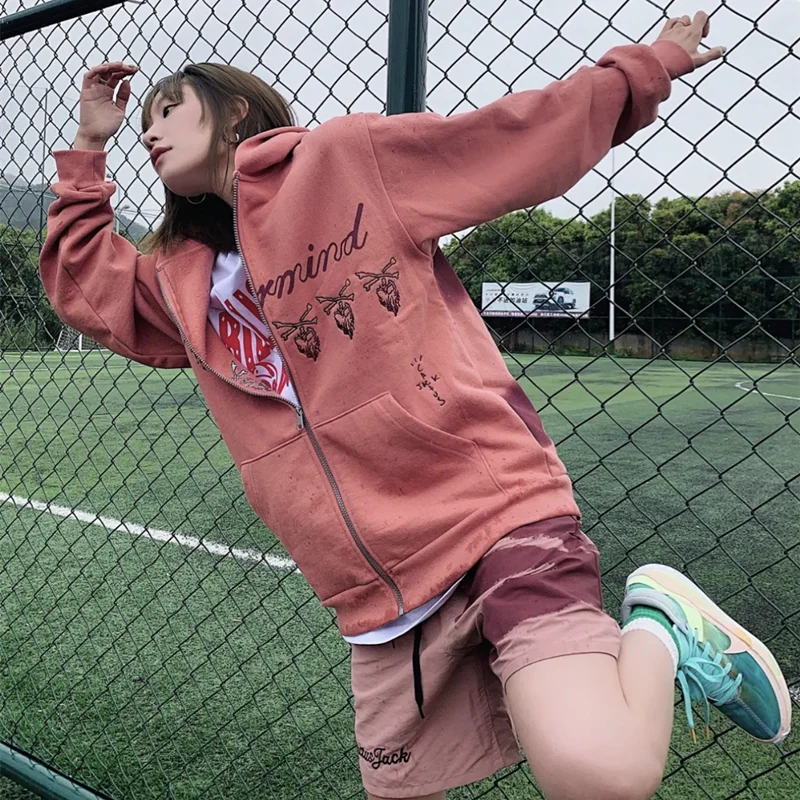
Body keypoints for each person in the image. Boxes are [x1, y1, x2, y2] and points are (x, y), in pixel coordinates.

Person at [39, 11, 790, 800]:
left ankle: (661, 628)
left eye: (168, 109)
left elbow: (505, 140)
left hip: (492, 516)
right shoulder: (176, 281)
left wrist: (646, 69)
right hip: (376, 594)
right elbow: (85, 285)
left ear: (232, 112)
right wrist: (90, 147)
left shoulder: (339, 162)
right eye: (144, 122)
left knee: (598, 776)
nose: (150, 132)